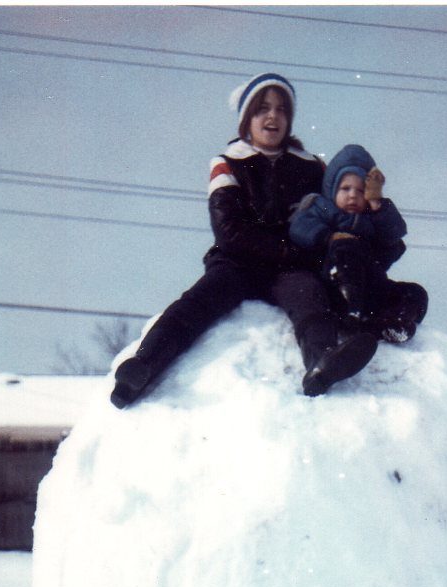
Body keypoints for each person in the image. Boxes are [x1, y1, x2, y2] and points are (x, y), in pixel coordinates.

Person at [110, 74, 379, 408]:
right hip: (239, 262)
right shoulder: (229, 163)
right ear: (246, 119)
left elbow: (334, 213)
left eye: (281, 110)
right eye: (262, 109)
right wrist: (288, 250)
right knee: (198, 302)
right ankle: (143, 366)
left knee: (309, 299)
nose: (272, 116)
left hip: (291, 269)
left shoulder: (312, 168)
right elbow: (229, 231)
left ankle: (322, 363)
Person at [289, 144, 428, 344]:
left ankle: (393, 324)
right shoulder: (322, 208)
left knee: (415, 292)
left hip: (371, 289)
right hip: (335, 287)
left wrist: (377, 204)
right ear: (332, 190)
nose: (353, 195)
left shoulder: (372, 220)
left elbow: (395, 235)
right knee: (347, 246)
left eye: (361, 190)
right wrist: (328, 237)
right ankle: (351, 316)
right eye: (345, 188)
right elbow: (300, 227)